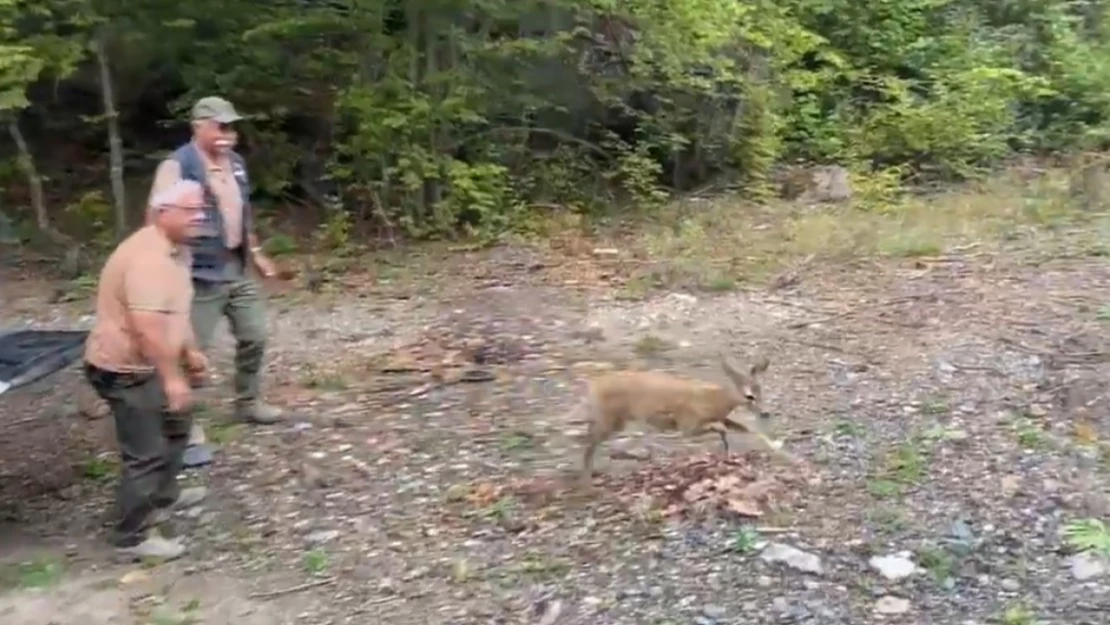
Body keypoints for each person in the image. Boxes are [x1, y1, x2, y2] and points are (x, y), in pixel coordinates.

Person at [147, 96, 283, 463]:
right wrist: (164, 272)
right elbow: (155, 221)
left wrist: (255, 254)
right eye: (220, 126)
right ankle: (184, 427)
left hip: (235, 269)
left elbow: (243, 215)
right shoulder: (178, 165)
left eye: (232, 126)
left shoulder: (236, 164)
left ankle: (248, 402)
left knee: (255, 335)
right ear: (198, 126)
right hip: (197, 275)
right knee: (191, 354)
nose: (229, 134)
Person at [84, 180, 210, 560]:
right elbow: (147, 327)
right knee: (147, 451)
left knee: (177, 427)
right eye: (190, 210)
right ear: (162, 213)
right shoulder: (149, 260)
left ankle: (162, 496)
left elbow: (174, 311)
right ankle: (130, 537)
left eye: (201, 209)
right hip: (127, 368)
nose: (200, 216)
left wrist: (190, 350)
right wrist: (172, 379)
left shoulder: (176, 252)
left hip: (152, 362)